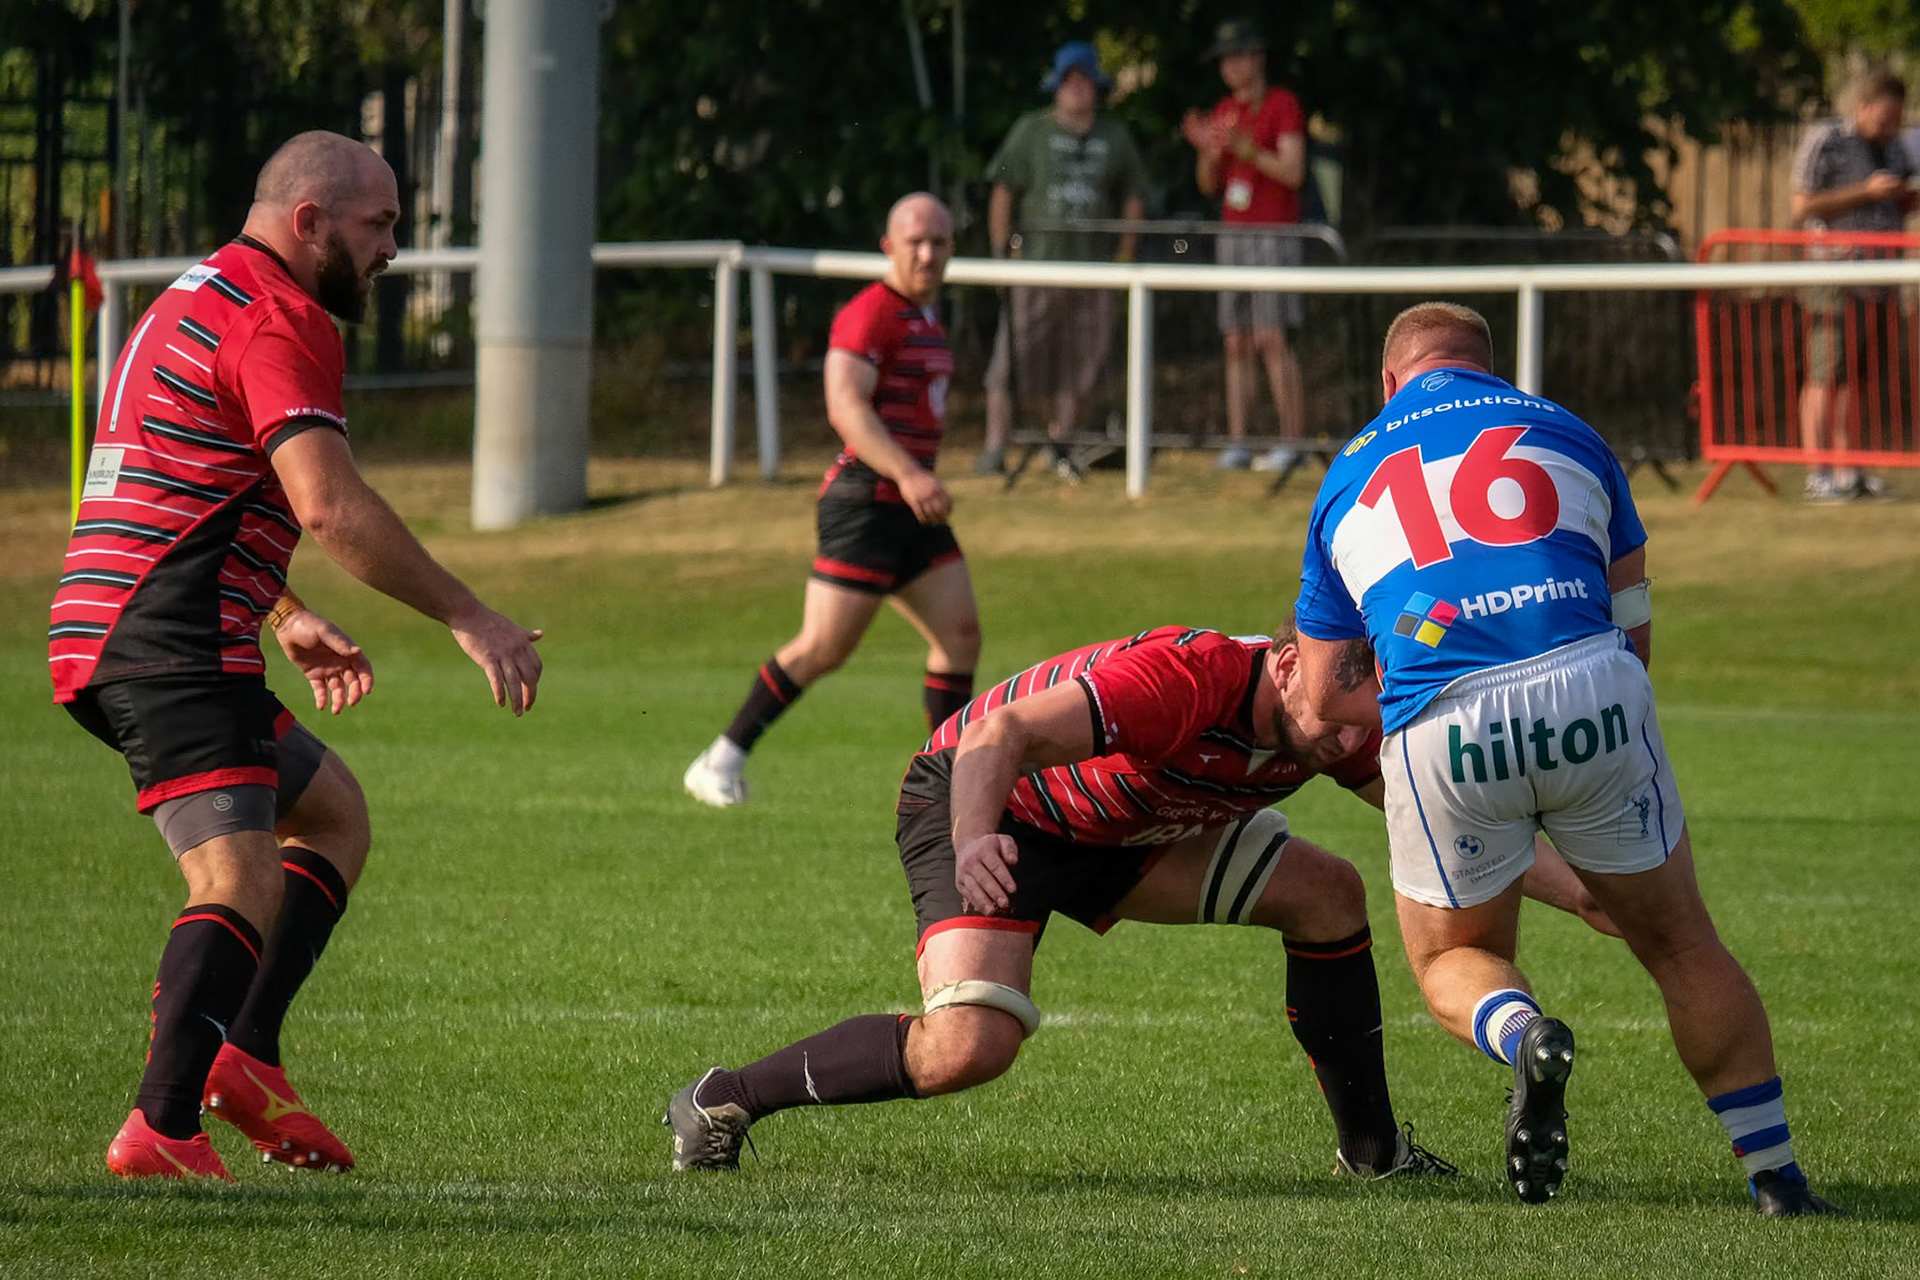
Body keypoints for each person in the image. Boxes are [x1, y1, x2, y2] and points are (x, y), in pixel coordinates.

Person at [666, 617, 1623, 1178]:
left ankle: (1374, 1154)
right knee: (968, 1047)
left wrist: (1582, 893)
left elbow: (1442, 821)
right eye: (1337, 723)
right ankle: (723, 1099)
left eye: (1361, 727)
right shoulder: (1186, 679)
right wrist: (973, 840)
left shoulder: (1342, 719)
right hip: (992, 804)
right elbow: (996, 735)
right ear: (1288, 661)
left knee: (1329, 894)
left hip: (1125, 830)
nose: (1346, 744)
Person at [49, 130, 545, 1180]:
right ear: (308, 220)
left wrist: (282, 610)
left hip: (135, 618)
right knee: (237, 876)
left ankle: (246, 1057)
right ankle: (162, 1126)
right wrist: (469, 615)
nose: (394, 248)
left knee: (331, 816)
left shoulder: (195, 295)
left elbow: (187, 475)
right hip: (172, 635)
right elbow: (328, 503)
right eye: (380, 224)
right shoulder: (279, 313)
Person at [1290, 301, 1838, 1217]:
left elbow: (1320, 696)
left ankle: (1526, 1037)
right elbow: (1633, 619)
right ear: (1490, 369)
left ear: (1389, 383)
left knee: (1455, 956)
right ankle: (1777, 1178)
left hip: (1444, 717)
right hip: (1592, 686)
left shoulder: (1348, 470)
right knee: (1682, 945)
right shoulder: (1567, 431)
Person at [683, 194, 977, 808]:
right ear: (888, 247)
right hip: (867, 502)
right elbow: (845, 406)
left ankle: (946, 781)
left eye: (939, 242)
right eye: (915, 242)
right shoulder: (871, 313)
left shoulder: (927, 317)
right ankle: (720, 758)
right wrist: (909, 474)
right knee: (824, 647)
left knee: (961, 634)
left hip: (910, 507)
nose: (928, 254)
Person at [978, 41, 1147, 481]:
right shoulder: (1030, 131)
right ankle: (995, 446)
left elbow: (1134, 195)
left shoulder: (1115, 137)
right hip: (1036, 266)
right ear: (1055, 86)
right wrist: (1000, 256)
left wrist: (1124, 256)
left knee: (1081, 366)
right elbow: (1002, 191)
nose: (1075, 88)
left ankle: (1061, 444)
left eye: (1083, 79)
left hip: (1093, 272)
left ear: (1097, 87)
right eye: (1067, 80)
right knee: (1010, 360)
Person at [1180, 18, 1307, 473]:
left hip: (1275, 232)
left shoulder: (1283, 104)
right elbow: (1207, 184)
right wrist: (1209, 151)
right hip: (1232, 232)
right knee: (1236, 340)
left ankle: (1293, 442)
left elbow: (1293, 171)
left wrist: (1246, 147)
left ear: (1257, 58)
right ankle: (1239, 443)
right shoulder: (1224, 109)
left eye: (1237, 57)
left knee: (1271, 336)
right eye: (1224, 60)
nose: (1230, 67)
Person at [1790, 70, 1916, 502]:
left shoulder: (1896, 148)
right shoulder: (1827, 140)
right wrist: (1866, 191)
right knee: (1825, 374)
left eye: (1896, 120)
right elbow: (1802, 205)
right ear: (1862, 106)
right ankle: (1819, 474)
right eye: (1883, 119)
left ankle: (1849, 471)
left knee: (1856, 379)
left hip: (1879, 280)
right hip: (1834, 275)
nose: (1890, 128)